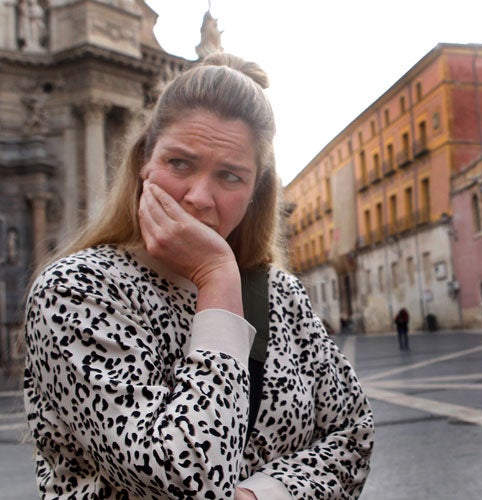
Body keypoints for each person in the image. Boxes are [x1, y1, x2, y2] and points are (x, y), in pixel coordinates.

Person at [23, 53, 374, 499]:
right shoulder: (74, 290)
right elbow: (186, 478)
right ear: (143, 163)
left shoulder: (280, 293)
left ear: (255, 193)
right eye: (180, 164)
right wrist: (216, 278)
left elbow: (352, 433)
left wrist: (257, 496)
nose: (198, 197)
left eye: (229, 176)